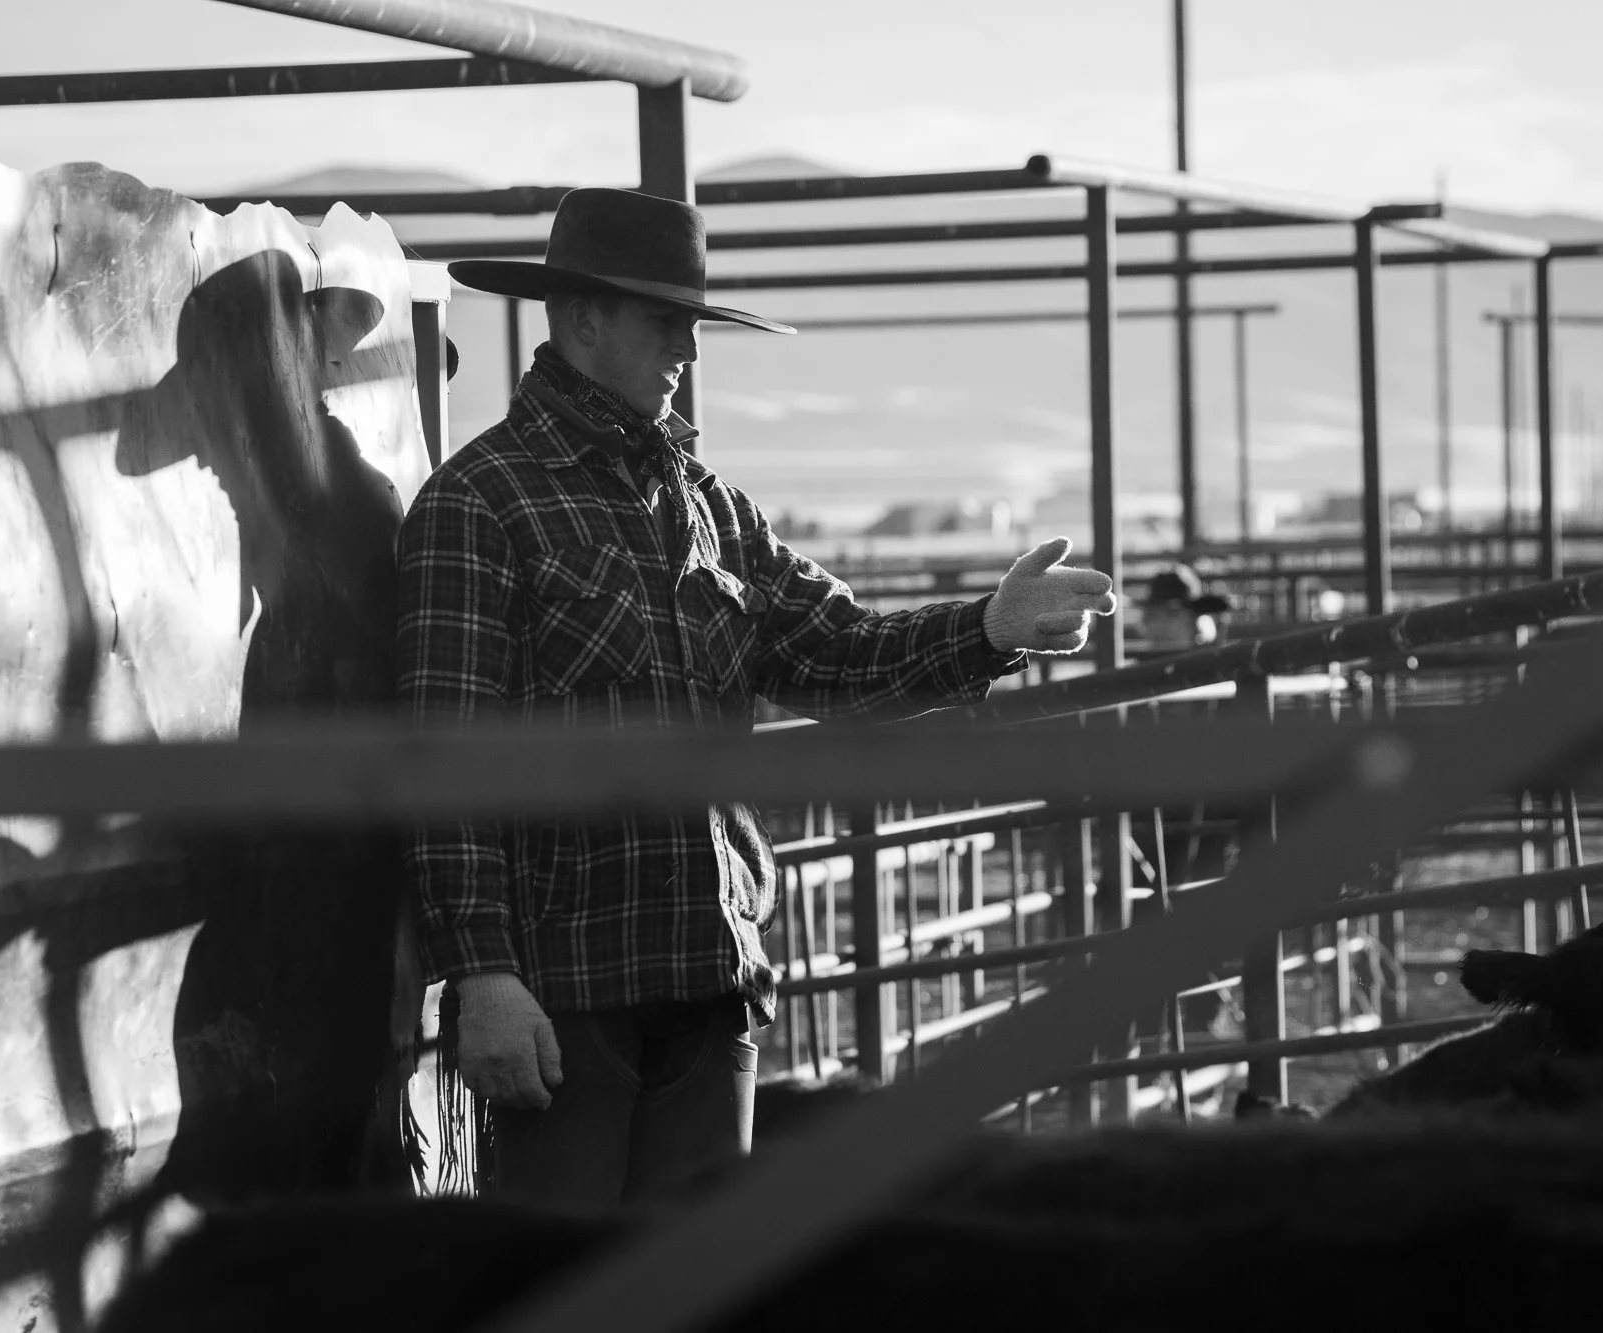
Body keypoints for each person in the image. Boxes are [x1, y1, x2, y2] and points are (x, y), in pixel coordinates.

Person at [395, 187, 1117, 1211]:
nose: (685, 347)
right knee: (561, 1291)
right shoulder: (478, 504)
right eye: (664, 321)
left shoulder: (710, 507)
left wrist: (989, 630)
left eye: (691, 322)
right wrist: (483, 975)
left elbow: (835, 651)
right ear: (584, 319)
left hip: (708, 972)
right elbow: (444, 761)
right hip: (565, 991)